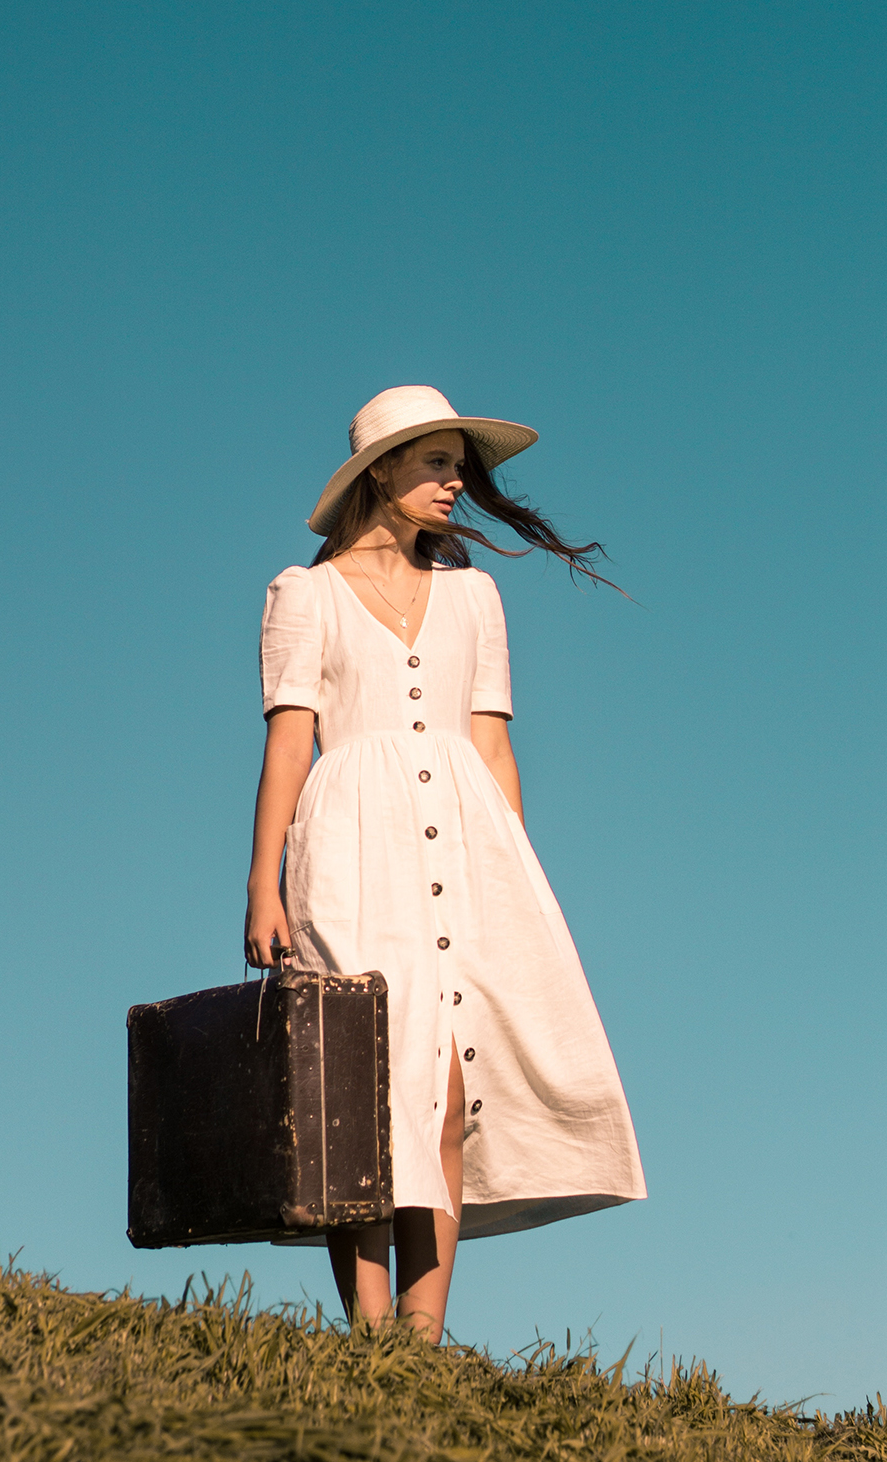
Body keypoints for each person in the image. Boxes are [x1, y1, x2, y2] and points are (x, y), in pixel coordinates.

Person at [244, 385, 646, 1342]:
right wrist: (264, 883)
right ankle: (370, 1331)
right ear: (379, 472)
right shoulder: (304, 595)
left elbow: (494, 745)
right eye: (434, 462)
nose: (455, 482)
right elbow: (290, 746)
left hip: (470, 851)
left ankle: (421, 1340)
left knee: (454, 1085)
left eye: (458, 464)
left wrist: (513, 875)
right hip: (347, 849)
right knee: (361, 1081)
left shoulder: (475, 595)